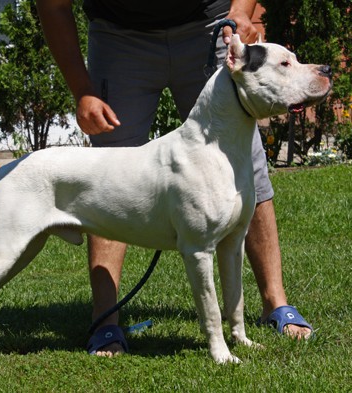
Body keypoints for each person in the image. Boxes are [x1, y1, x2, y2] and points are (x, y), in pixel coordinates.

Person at [37, 0, 314, 356]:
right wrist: (83, 91)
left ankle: (275, 304)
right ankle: (106, 322)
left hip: (208, 25)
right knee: (108, 173)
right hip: (119, 36)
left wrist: (242, 10)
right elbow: (53, 5)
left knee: (249, 165)